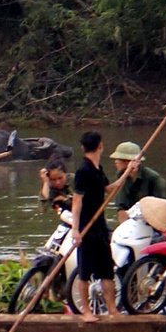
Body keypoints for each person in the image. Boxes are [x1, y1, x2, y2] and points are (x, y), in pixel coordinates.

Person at [70, 131, 117, 320]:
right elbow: (77, 200)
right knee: (84, 272)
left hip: (100, 226)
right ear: (100, 146)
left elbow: (109, 189)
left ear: (83, 147)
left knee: (107, 269)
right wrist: (75, 229)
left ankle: (112, 309)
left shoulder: (98, 169)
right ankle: (87, 312)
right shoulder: (83, 171)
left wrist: (127, 172)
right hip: (86, 228)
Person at [107, 141, 166, 222]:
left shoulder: (154, 179)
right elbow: (121, 207)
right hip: (131, 219)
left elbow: (163, 207)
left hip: (151, 219)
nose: (115, 161)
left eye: (119, 159)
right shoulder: (121, 175)